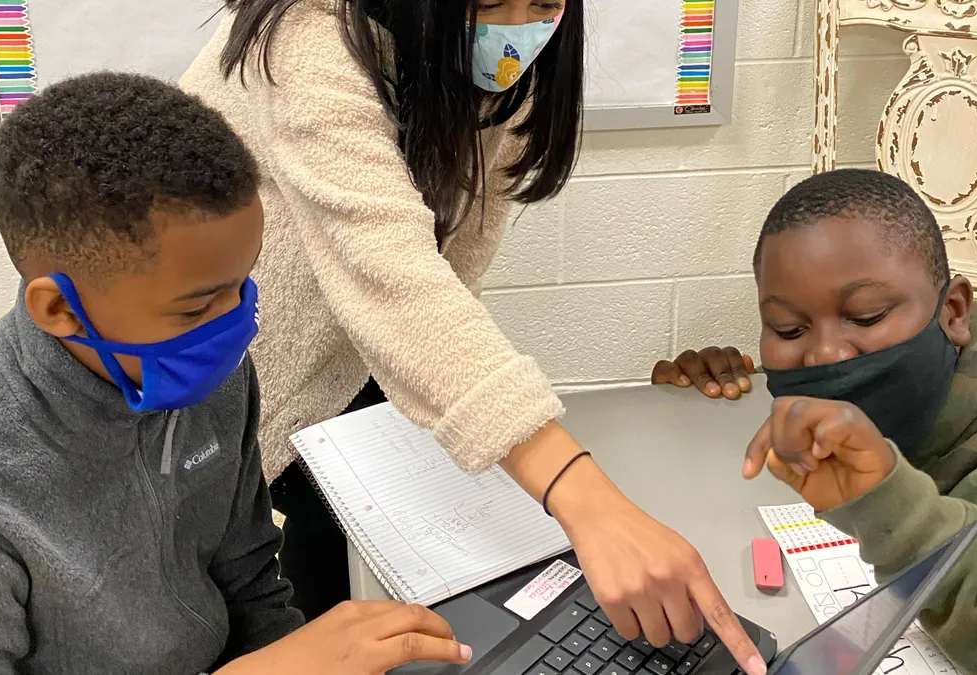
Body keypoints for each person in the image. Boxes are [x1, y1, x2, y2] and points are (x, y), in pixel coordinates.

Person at [180, 1, 765, 668]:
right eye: (487, 3)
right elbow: (393, 279)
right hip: (242, 386)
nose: (515, 26)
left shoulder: (510, 69)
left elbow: (449, 279)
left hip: (361, 372)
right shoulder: (305, 36)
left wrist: (481, 417)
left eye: (543, 3)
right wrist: (588, 499)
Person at [0, 73, 474, 675]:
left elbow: (251, 580)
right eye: (196, 307)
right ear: (59, 310)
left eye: (242, 283)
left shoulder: (209, 375)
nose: (237, 323)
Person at [653, 169, 977, 673]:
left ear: (953, 312)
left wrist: (903, 520)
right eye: (790, 328)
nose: (825, 355)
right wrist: (715, 390)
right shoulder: (858, 391)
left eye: (867, 316)